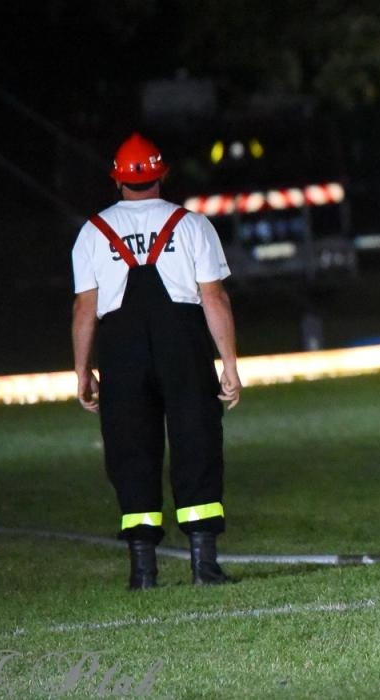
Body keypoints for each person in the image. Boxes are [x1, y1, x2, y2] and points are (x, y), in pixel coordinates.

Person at [71, 133, 242, 589]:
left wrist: (83, 371)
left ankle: (142, 572)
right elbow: (215, 298)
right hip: (182, 343)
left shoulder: (92, 232)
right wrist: (229, 363)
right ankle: (204, 565)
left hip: (120, 347)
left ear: (119, 181)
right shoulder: (191, 225)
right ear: (161, 174)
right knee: (196, 439)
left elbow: (84, 310)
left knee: (130, 447)